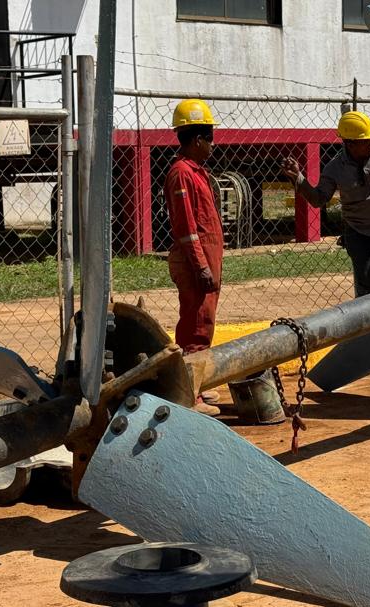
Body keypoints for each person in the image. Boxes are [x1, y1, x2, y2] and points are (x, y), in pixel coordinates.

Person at [281, 111, 370, 298]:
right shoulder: (334, 168)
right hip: (360, 235)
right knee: (366, 292)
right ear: (350, 143)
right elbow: (318, 199)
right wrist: (299, 179)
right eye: (365, 141)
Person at [166, 99, 223, 414]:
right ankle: (191, 394)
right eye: (210, 138)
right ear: (197, 139)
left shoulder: (196, 172)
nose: (213, 144)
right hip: (194, 262)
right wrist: (201, 266)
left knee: (203, 322)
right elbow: (187, 227)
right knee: (195, 325)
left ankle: (197, 385)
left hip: (204, 260)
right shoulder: (182, 174)